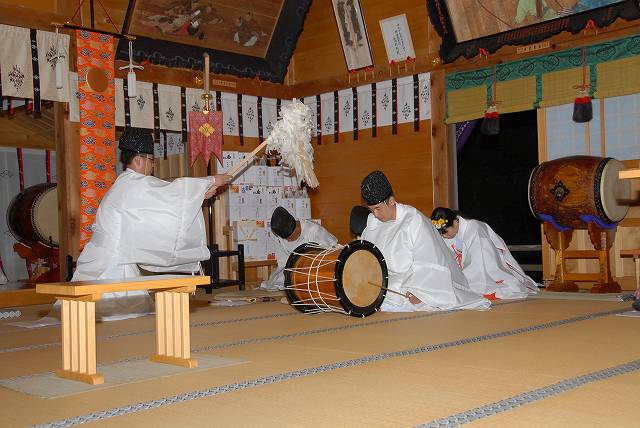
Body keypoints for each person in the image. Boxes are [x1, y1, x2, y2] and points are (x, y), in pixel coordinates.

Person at [69, 127, 231, 321]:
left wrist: (200, 194)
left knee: (108, 315)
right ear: (139, 160)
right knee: (117, 315)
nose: (153, 166)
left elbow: (163, 204)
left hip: (104, 256)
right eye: (151, 160)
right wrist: (210, 180)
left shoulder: (125, 184)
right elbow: (172, 192)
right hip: (112, 263)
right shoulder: (135, 183)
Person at [359, 171, 490, 312]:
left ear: (391, 201)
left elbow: (429, 259)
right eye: (371, 210)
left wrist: (418, 290)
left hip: (408, 282)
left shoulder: (413, 220)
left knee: (405, 298)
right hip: (384, 283)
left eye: (378, 209)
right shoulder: (372, 223)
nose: (375, 214)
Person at [430, 207, 539, 300]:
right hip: (466, 266)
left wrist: (464, 279)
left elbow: (480, 258)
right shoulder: (449, 233)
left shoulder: (475, 228)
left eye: (445, 232)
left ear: (455, 222)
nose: (443, 236)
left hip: (489, 260)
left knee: (478, 287)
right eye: (441, 233)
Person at [260, 206, 338, 291]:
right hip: (296, 269)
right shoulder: (281, 238)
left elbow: (331, 251)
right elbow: (283, 262)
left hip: (318, 268)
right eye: (285, 238)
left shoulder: (314, 230)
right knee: (278, 280)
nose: (287, 240)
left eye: (289, 237)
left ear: (296, 228)